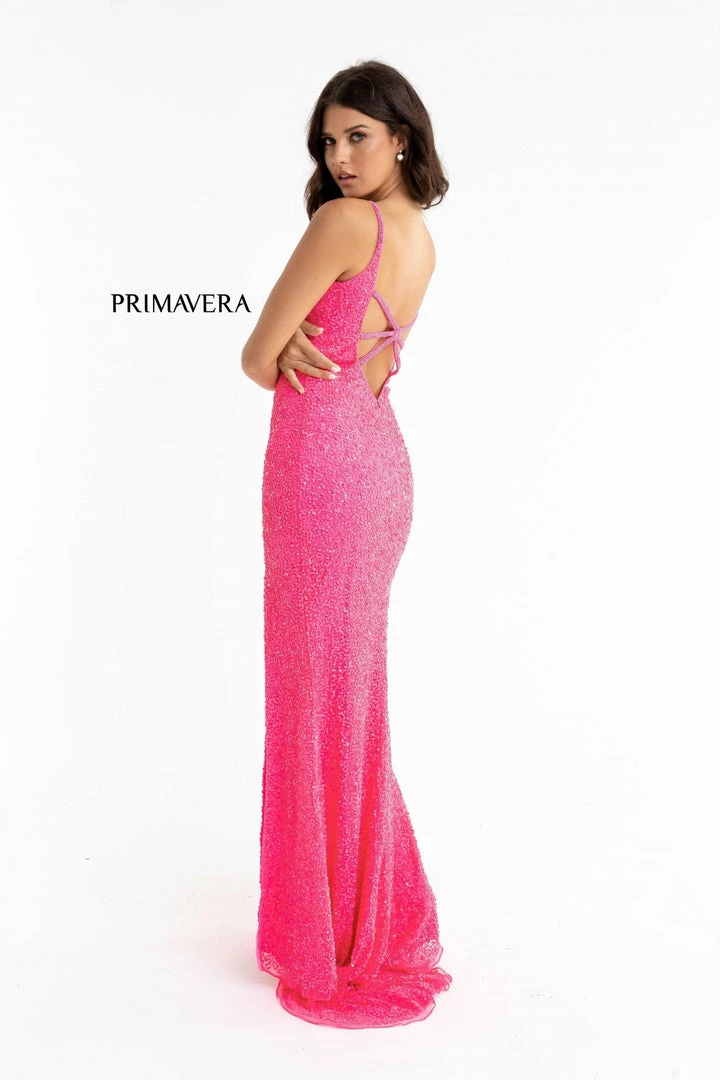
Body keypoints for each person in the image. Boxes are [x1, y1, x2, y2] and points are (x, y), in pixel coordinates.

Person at [241, 60, 451, 1029]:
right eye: (328, 142)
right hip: (380, 467)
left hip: (321, 467)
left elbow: (255, 356)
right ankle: (354, 911)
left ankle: (326, 927)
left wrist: (278, 347)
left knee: (313, 695)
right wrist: (294, 345)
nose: (340, 157)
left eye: (358, 135)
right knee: (349, 694)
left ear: (402, 136)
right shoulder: (419, 240)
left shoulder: (343, 224)